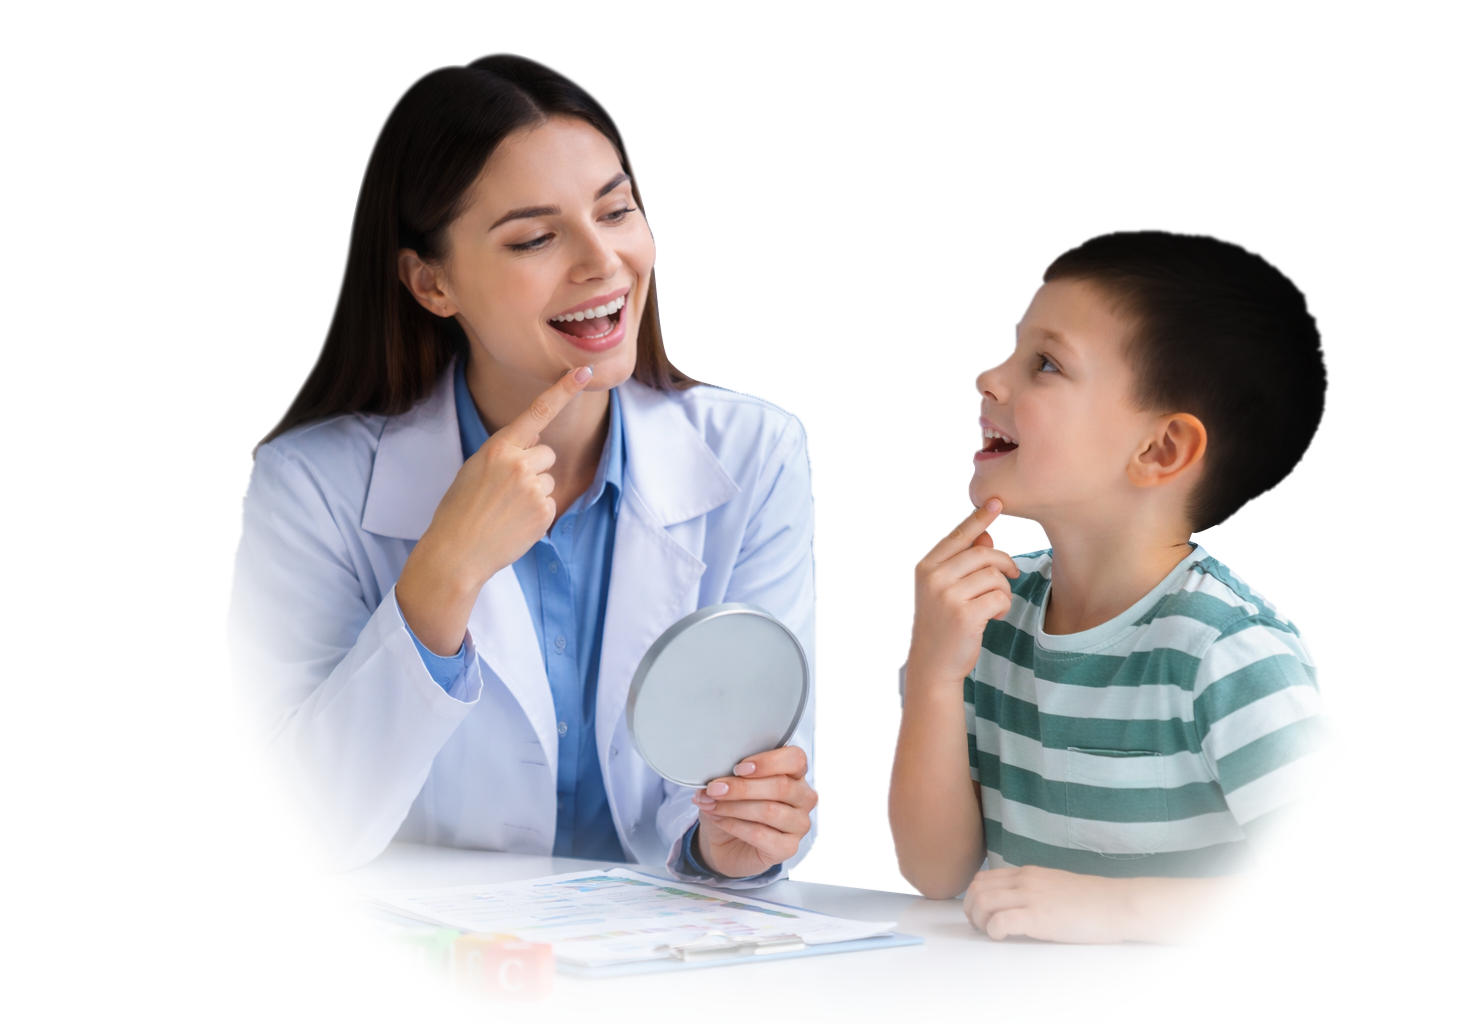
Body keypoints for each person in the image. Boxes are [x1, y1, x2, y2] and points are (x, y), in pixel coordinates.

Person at [228, 53, 815, 884]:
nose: (601, 262)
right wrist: (443, 574)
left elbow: (740, 759)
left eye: (616, 212)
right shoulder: (312, 486)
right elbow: (299, 832)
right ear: (431, 282)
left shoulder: (754, 459)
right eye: (536, 237)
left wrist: (726, 838)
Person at [891, 229, 1345, 946]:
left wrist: (1111, 909)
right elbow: (935, 872)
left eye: (1044, 364)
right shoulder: (998, 623)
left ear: (1159, 450)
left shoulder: (1221, 651)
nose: (993, 380)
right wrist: (933, 671)